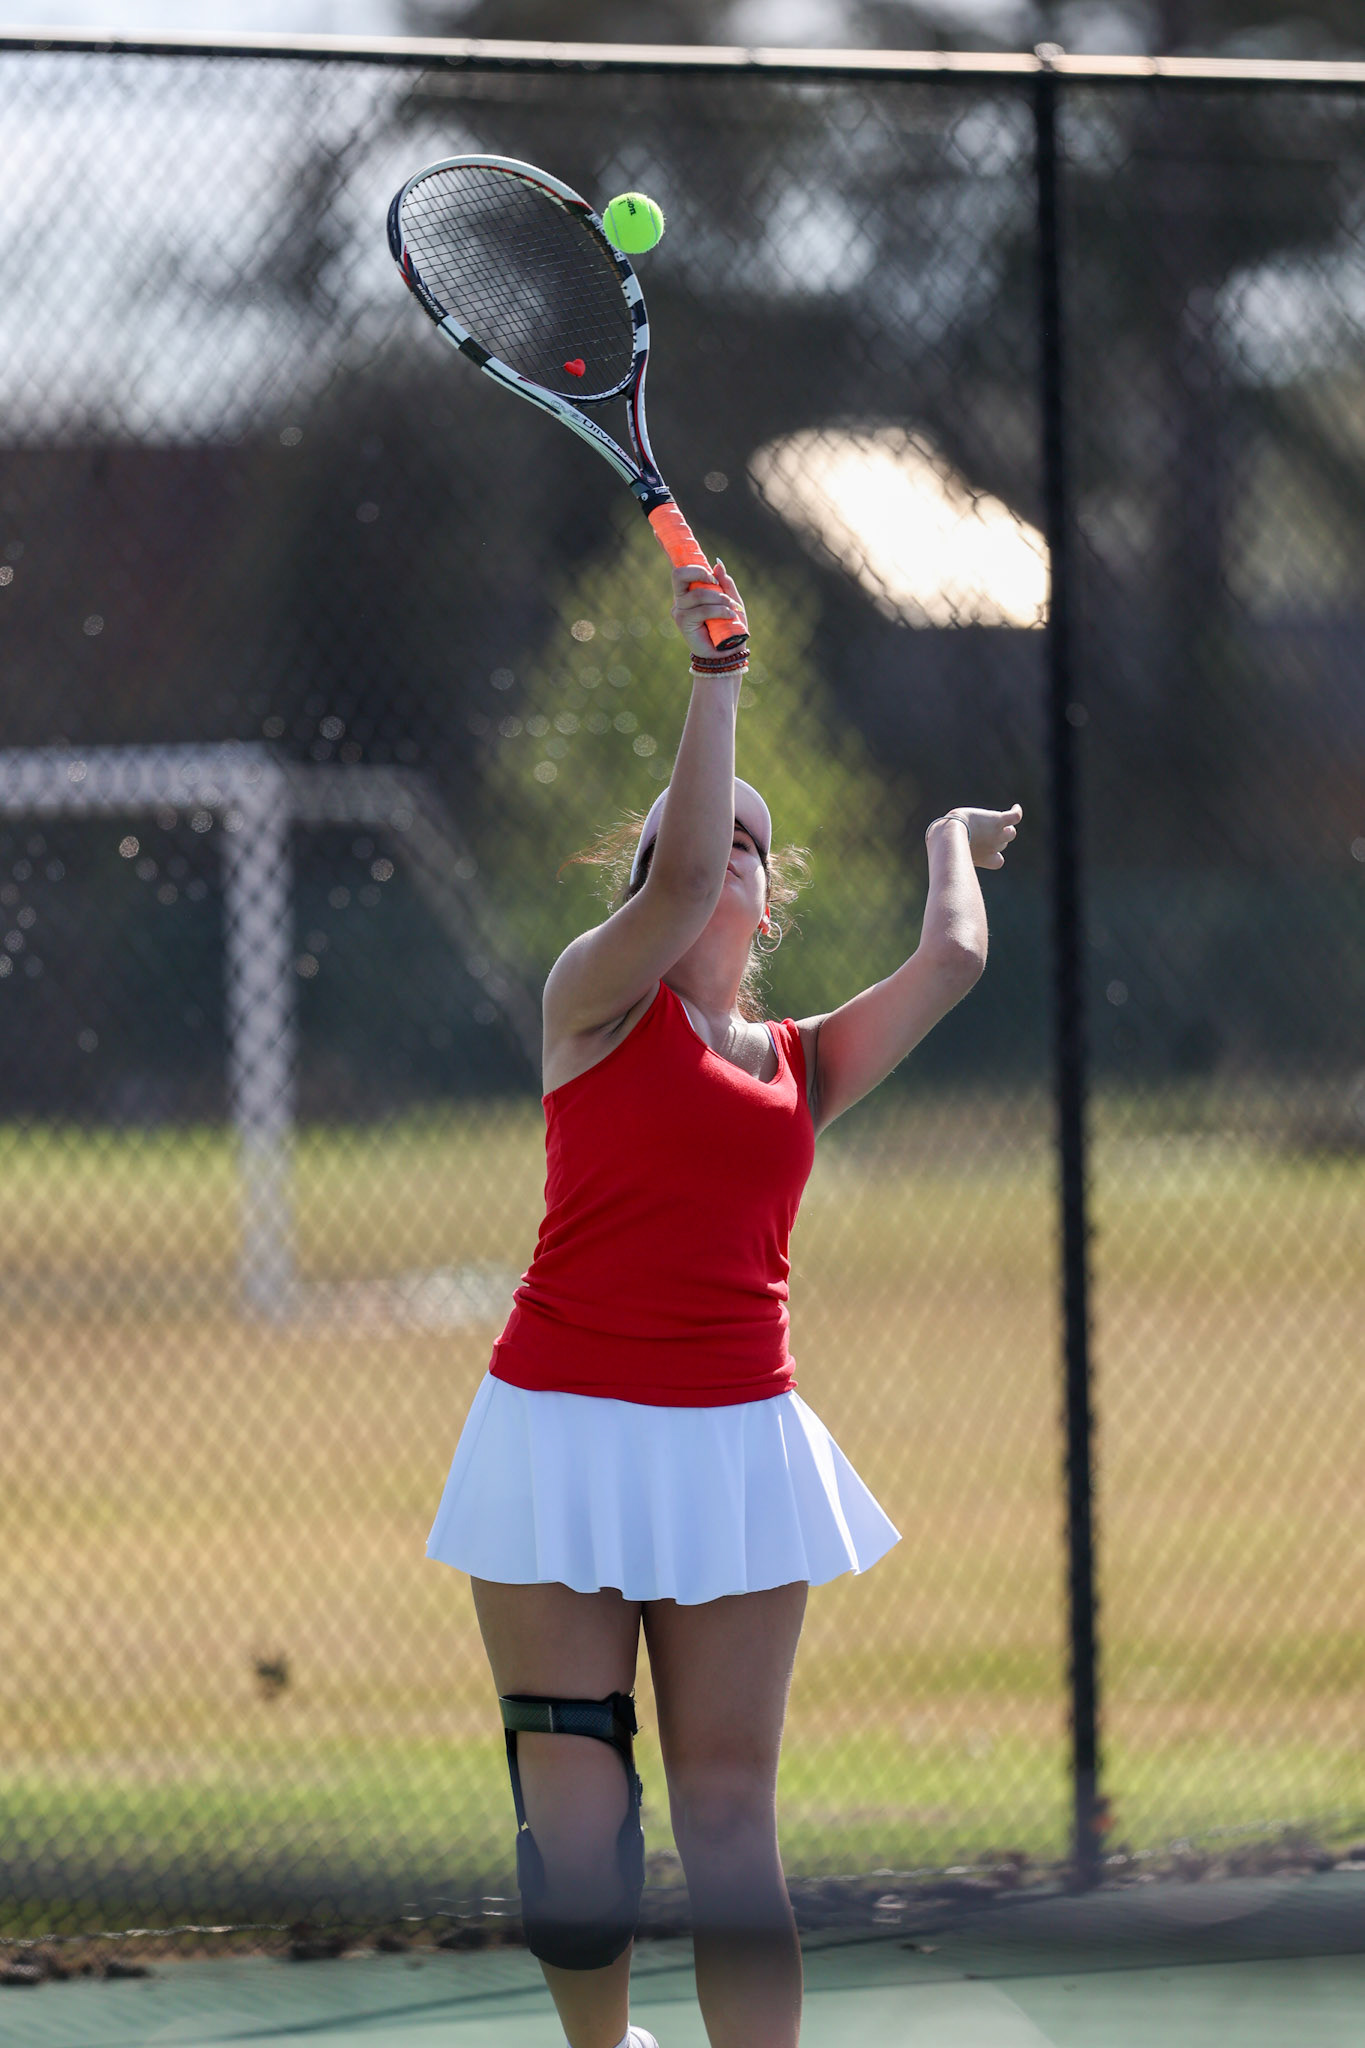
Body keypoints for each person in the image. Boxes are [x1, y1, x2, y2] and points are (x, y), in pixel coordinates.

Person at [425, 555, 1023, 2048]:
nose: (721, 857)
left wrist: (950, 837)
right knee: (573, 1830)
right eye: (696, 844)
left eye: (754, 847)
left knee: (732, 1828)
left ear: (771, 906)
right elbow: (678, 870)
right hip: (553, 1427)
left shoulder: (799, 1064)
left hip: (736, 1446)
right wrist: (717, 673)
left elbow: (950, 958)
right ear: (639, 888)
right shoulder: (589, 1002)